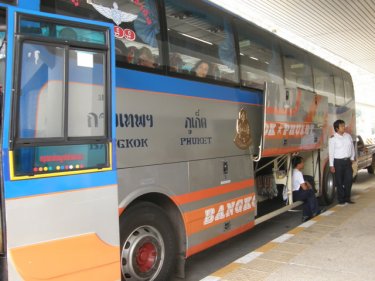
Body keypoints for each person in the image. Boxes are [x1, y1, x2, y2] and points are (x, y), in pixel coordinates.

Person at [328, 119, 355, 205]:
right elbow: (331, 152)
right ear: (336, 128)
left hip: (347, 162)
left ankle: (347, 197)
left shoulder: (348, 136)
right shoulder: (333, 139)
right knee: (339, 182)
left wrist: (352, 157)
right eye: (342, 126)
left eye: (344, 125)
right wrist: (331, 165)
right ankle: (341, 199)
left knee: (349, 180)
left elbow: (352, 148)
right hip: (338, 162)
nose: (344, 127)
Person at [292, 156, 323, 222]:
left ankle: (305, 216)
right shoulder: (298, 173)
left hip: (292, 194)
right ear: (298, 164)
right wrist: (309, 185)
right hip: (296, 193)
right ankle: (315, 211)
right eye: (302, 162)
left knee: (307, 197)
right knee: (310, 192)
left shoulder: (292, 171)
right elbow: (305, 188)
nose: (304, 164)